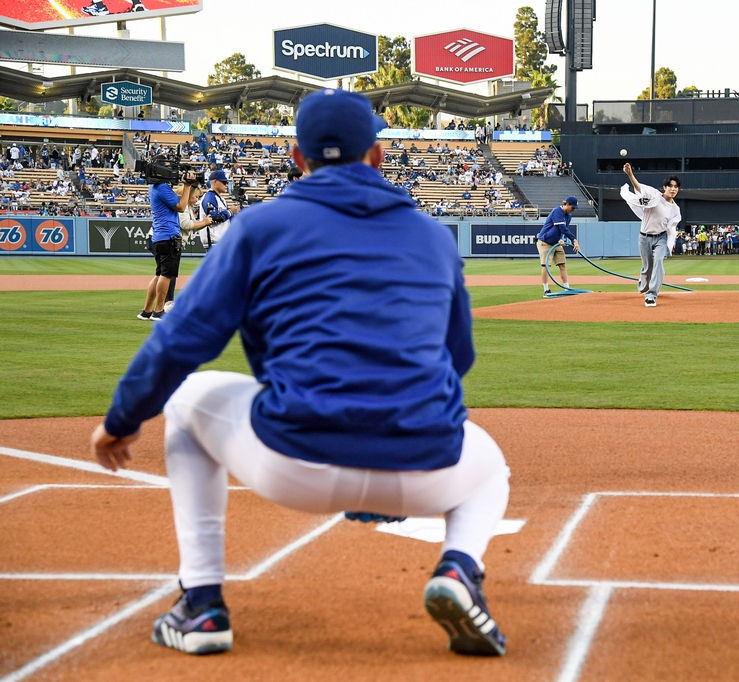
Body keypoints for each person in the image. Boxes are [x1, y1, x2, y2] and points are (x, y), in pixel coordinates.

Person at [89, 88, 511, 658]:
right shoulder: (433, 236)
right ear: (378, 156)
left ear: (295, 157)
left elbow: (181, 341)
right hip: (423, 465)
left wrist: (122, 419)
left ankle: (202, 605)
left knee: (189, 398)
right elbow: (458, 359)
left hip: (295, 461)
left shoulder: (258, 227)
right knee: (488, 464)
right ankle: (460, 571)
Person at [138, 161, 194, 321]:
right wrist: (188, 186)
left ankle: (147, 311)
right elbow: (181, 207)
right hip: (168, 235)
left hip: (159, 236)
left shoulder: (154, 187)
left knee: (159, 274)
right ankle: (158, 310)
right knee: (166, 274)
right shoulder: (162, 187)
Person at [620, 164, 681, 307]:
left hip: (660, 238)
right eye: (670, 186)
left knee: (658, 262)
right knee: (647, 267)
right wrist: (630, 175)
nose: (673, 189)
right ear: (664, 187)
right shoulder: (654, 196)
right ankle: (645, 286)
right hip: (644, 237)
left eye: (676, 187)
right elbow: (640, 188)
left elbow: (672, 226)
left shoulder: (675, 209)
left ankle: (651, 295)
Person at [535, 196, 580, 296]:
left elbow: (561, 230)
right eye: (572, 207)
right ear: (567, 204)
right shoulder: (557, 211)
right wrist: (574, 240)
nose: (573, 210)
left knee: (562, 265)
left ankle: (567, 288)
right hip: (545, 242)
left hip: (556, 242)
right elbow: (562, 228)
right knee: (546, 265)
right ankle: (546, 290)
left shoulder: (568, 216)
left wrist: (562, 239)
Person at [197, 169, 238, 249]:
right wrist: (230, 212)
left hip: (221, 241)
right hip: (213, 241)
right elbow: (213, 218)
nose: (226, 185)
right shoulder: (209, 197)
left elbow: (227, 219)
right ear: (215, 182)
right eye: (224, 182)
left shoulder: (220, 198)